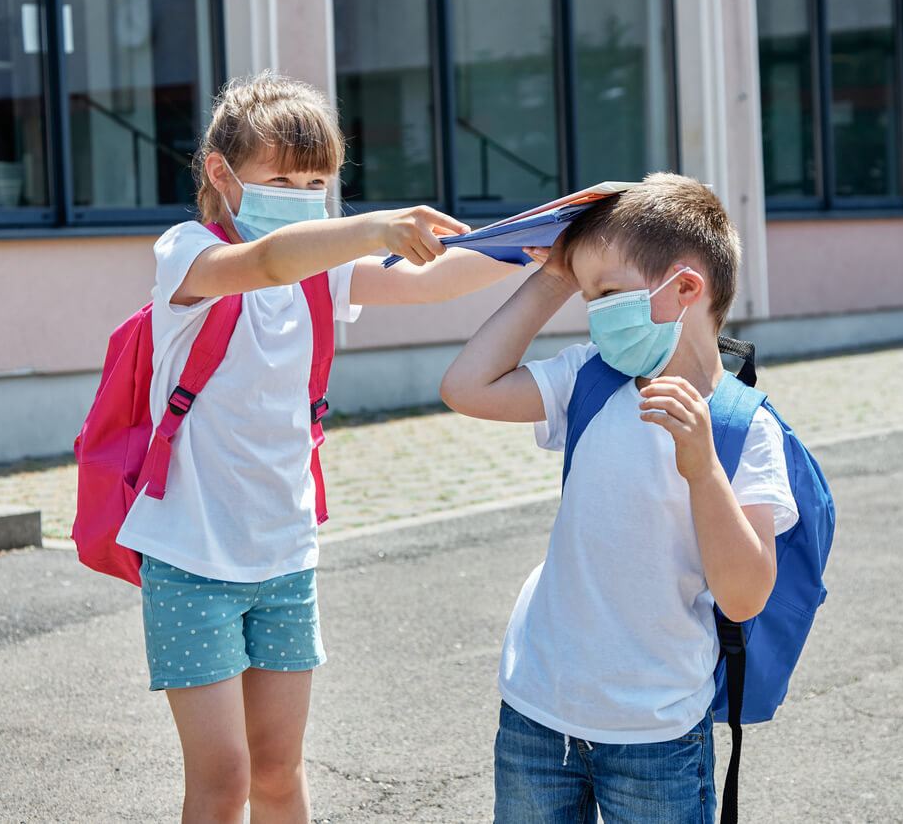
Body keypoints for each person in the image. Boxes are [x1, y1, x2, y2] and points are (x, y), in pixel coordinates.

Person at [115, 71, 517, 824]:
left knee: (277, 770)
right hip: (191, 561)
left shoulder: (323, 278)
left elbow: (435, 280)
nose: (302, 196)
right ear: (220, 174)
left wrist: (548, 243)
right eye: (281, 180)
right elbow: (269, 261)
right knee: (222, 779)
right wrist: (374, 228)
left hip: (285, 558)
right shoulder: (189, 255)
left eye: (317, 183)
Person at [440, 173, 799, 823]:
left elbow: (745, 597)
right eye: (587, 296)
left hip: (655, 732)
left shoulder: (743, 426)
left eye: (606, 293)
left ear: (685, 288)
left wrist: (702, 470)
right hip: (537, 709)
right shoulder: (590, 375)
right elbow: (466, 386)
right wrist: (556, 276)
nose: (594, 311)